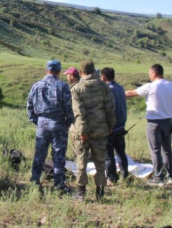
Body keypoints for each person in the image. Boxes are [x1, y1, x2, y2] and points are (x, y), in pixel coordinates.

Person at [125, 64, 172, 186]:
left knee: (155, 150)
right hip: (168, 121)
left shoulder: (150, 86)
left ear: (154, 73)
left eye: (149, 73)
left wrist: (117, 91)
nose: (149, 75)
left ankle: (158, 177)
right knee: (167, 150)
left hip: (153, 123)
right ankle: (171, 176)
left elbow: (130, 94)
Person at [27, 60, 74, 193]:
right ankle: (59, 185)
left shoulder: (36, 85)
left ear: (46, 70)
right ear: (59, 71)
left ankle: (35, 181)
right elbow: (69, 108)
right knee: (59, 155)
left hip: (42, 123)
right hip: (58, 123)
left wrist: (37, 121)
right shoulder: (62, 86)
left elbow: (29, 106)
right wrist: (68, 123)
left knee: (39, 155)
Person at [71, 61, 116, 201]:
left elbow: (79, 113)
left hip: (83, 132)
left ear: (81, 71)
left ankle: (80, 193)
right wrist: (110, 126)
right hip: (100, 130)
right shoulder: (103, 87)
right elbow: (110, 108)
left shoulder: (76, 88)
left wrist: (82, 131)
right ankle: (100, 192)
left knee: (81, 162)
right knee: (100, 162)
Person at [100, 67, 129, 184]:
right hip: (121, 125)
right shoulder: (120, 87)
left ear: (104, 77)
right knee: (121, 152)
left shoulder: (107, 89)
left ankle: (111, 178)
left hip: (111, 126)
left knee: (108, 154)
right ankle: (124, 175)